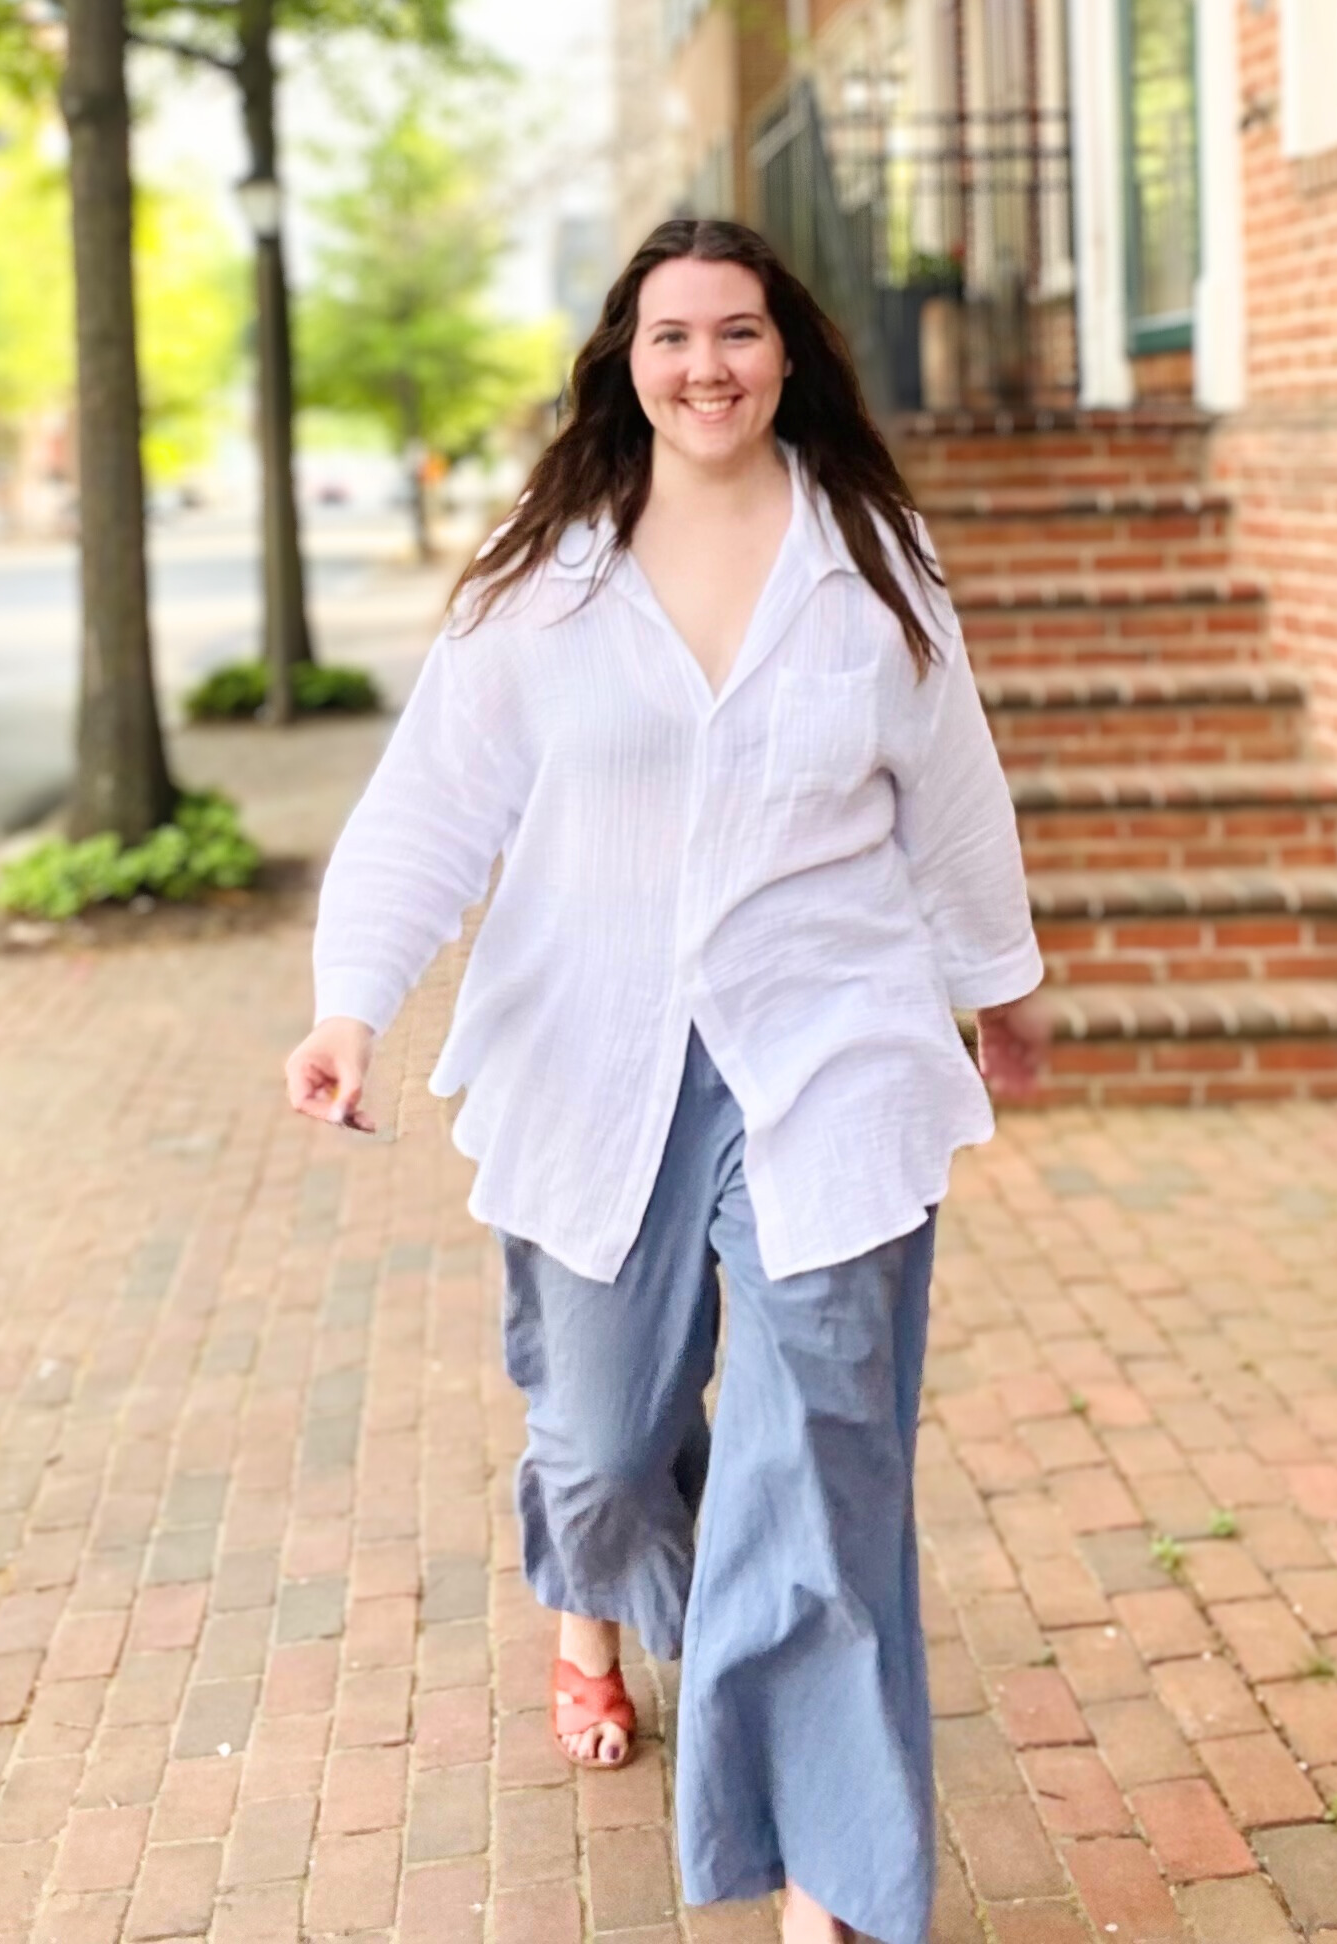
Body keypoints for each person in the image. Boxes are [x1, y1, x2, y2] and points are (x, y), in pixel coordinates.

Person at [282, 215, 1049, 1944]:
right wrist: (353, 1006)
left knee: (819, 1485)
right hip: (591, 1052)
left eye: (738, 333)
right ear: (621, 362)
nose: (704, 365)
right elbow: (430, 809)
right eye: (669, 336)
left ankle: (823, 1884)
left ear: (789, 355)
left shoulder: (871, 553)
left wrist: (999, 989)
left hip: (827, 1052)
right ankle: (593, 1602)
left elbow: (952, 789)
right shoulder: (543, 567)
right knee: (610, 1452)